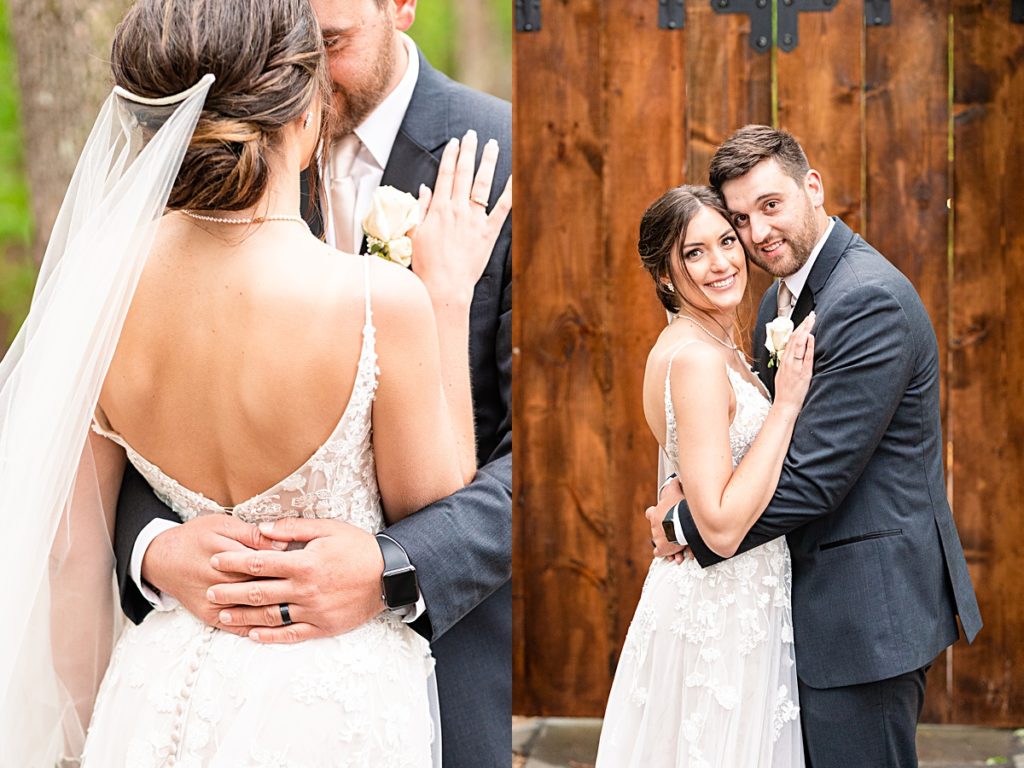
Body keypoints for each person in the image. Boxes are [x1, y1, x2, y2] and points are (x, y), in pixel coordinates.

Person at [0, 0, 510, 765]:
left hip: (152, 697)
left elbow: (68, 558)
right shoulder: (383, 298)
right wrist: (444, 300)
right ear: (303, 110)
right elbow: (432, 499)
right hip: (334, 704)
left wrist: (75, 743)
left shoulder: (93, 287)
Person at [649, 126, 982, 767]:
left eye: (770, 205)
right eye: (741, 218)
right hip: (802, 604)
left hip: (865, 611)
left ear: (813, 186)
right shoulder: (782, 297)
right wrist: (681, 483)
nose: (757, 233)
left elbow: (812, 476)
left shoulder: (867, 301)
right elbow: (747, 439)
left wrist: (692, 524)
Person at [596, 185, 815, 767]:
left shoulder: (716, 343)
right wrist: (787, 404)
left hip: (746, 596)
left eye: (725, 241)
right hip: (721, 605)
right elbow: (717, 526)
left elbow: (685, 468)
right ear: (665, 274)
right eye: (694, 253)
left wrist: (670, 503)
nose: (720, 262)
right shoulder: (693, 358)